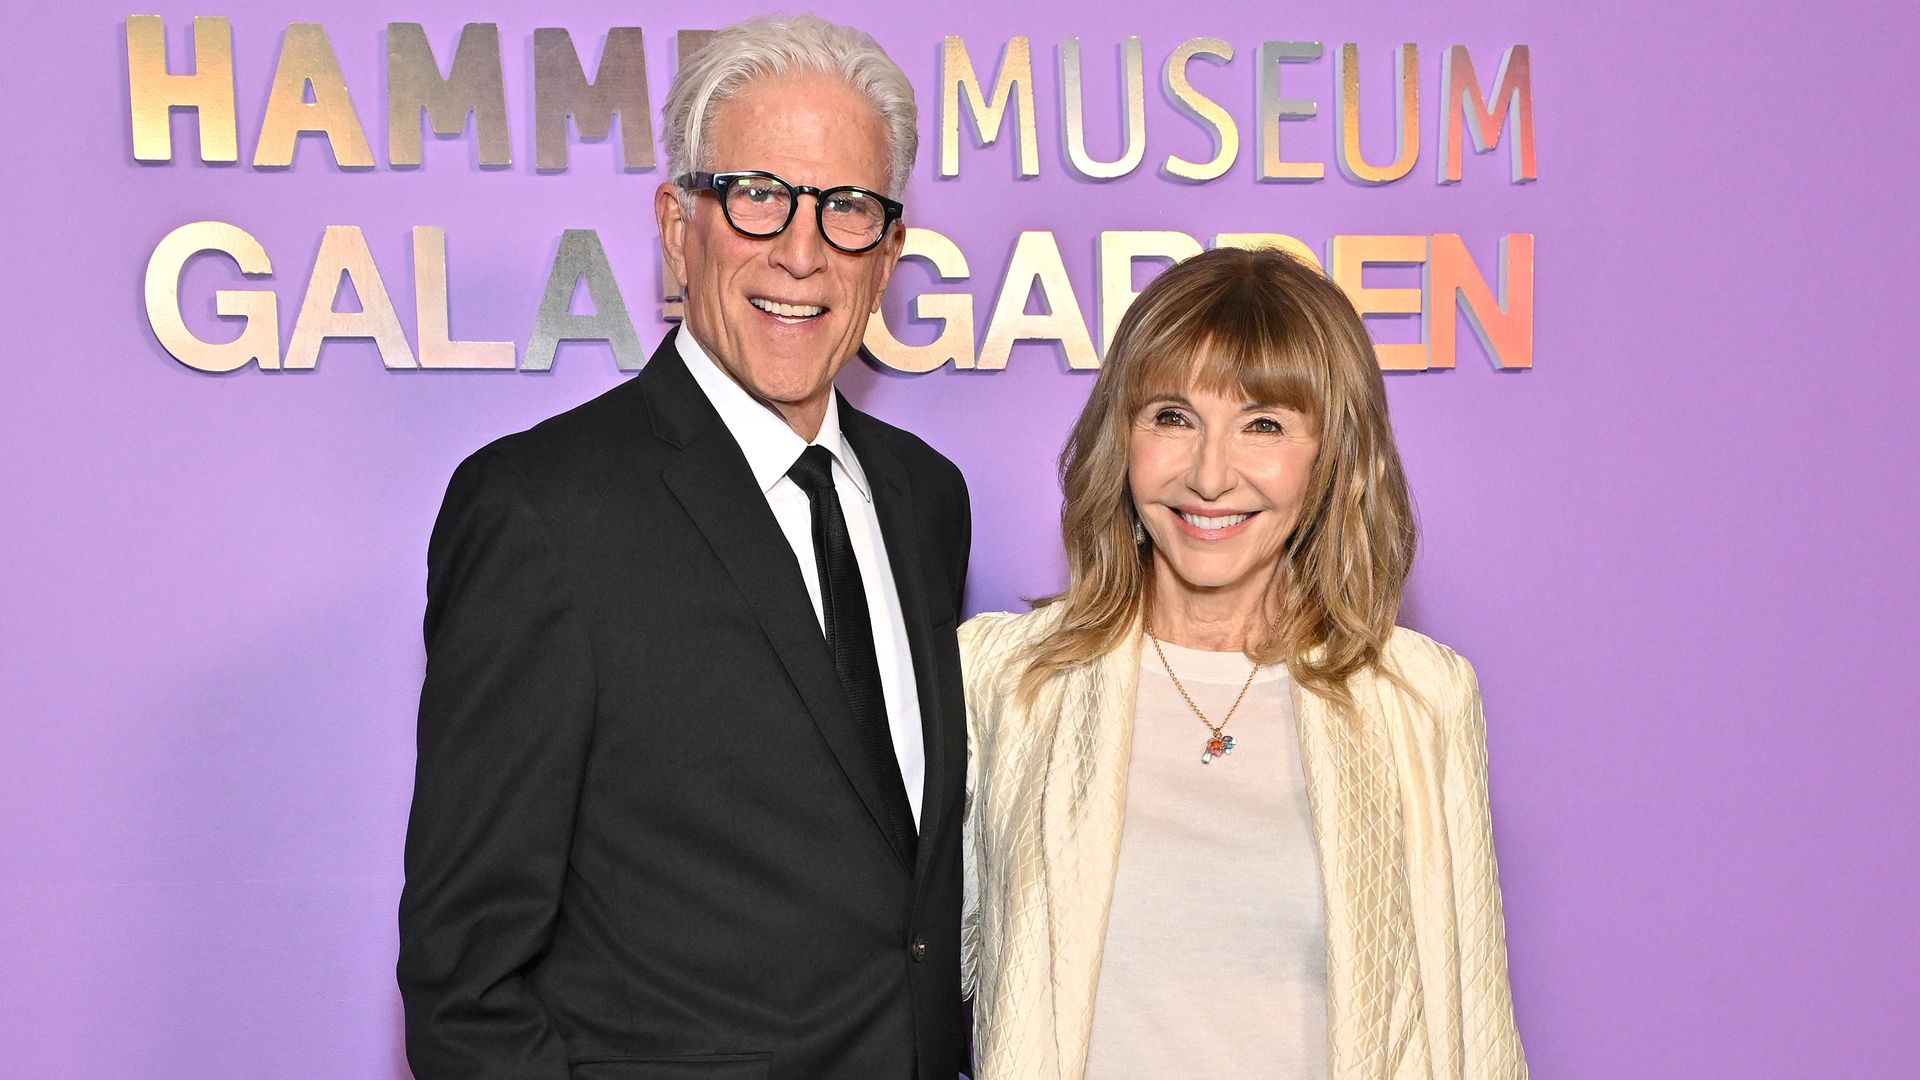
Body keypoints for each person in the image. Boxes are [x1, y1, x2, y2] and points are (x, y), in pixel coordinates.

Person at [397, 16, 970, 1080]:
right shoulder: (541, 512)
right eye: (757, 196)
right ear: (678, 225)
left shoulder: (924, 499)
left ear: (889, 251)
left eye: (847, 208)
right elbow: (465, 978)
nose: (802, 252)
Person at [959, 247, 1526, 1079]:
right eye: (1172, 417)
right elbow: (924, 980)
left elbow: (1474, 1025)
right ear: (1123, 437)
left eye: (1262, 424)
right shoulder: (1003, 681)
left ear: (1329, 454)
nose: (1209, 475)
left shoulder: (1420, 696)